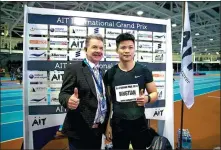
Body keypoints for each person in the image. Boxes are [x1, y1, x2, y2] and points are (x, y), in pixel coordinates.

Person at [104, 33, 158, 149]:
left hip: (139, 123)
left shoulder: (144, 71)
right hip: (118, 124)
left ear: (134, 49)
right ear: (117, 50)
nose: (127, 51)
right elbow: (110, 102)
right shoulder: (109, 74)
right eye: (123, 47)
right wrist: (108, 125)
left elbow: (155, 94)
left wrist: (147, 98)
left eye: (130, 47)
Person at [59, 34, 109, 150]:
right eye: (94, 47)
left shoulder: (102, 72)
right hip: (79, 130)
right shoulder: (74, 69)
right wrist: (68, 100)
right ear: (86, 50)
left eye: (101, 48)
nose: (98, 51)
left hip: (97, 130)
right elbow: (63, 94)